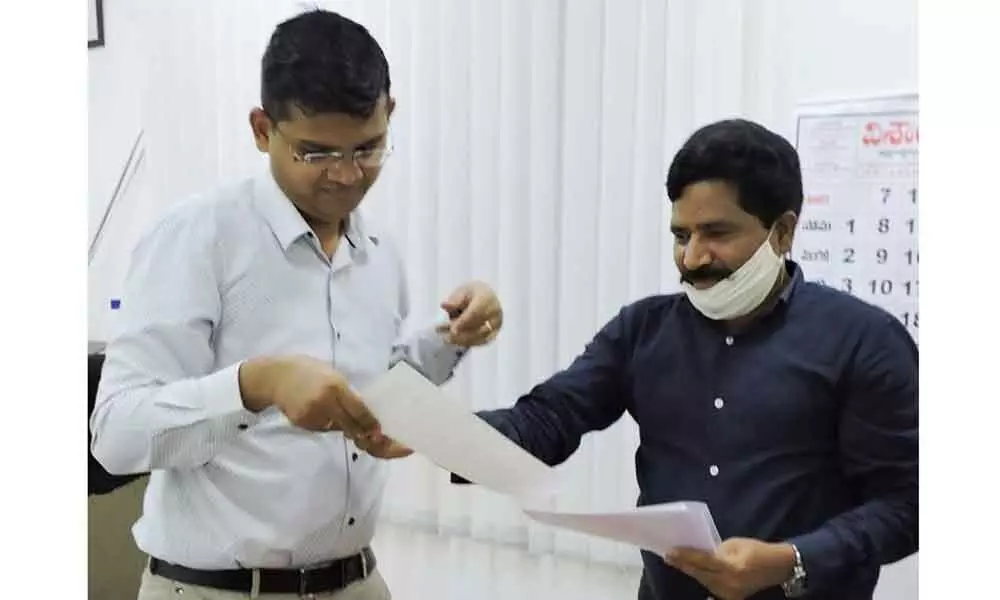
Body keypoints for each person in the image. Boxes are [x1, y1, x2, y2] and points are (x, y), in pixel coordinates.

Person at [360, 119, 918, 600]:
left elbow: (908, 504)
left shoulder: (865, 342)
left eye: (717, 234)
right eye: (681, 234)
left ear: (784, 230)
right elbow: (549, 419)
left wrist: (793, 560)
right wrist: (438, 434)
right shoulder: (644, 330)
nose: (693, 257)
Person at [90, 9, 502, 600]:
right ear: (262, 130)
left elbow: (375, 392)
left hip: (357, 579)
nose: (345, 175)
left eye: (369, 148)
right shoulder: (197, 238)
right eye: (316, 153)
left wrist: (453, 338)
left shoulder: (379, 252)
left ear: (391, 118)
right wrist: (254, 384)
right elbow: (116, 435)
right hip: (221, 589)